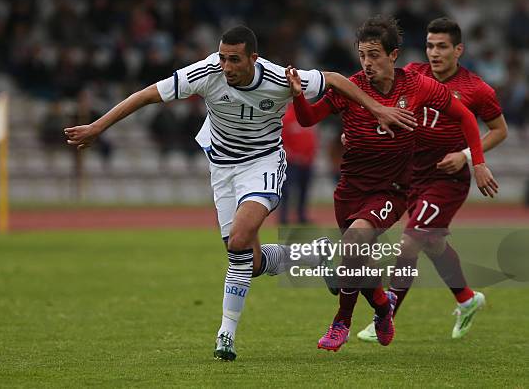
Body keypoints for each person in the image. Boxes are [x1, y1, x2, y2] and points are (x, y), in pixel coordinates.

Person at [64, 25, 416, 361]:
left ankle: (226, 334)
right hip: (222, 168)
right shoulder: (205, 72)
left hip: (262, 164)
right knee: (250, 260)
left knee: (239, 240)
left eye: (234, 59)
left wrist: (377, 108)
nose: (226, 66)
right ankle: (314, 255)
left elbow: (337, 80)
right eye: (222, 58)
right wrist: (97, 127)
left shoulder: (279, 77)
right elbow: (146, 95)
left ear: (253, 58)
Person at [288, 16, 498, 352]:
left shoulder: (416, 86)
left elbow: (464, 117)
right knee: (358, 259)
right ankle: (384, 307)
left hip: (393, 189)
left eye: (374, 55)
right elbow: (307, 118)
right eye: (362, 55)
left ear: (393, 55)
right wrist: (299, 96)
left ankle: (341, 322)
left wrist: (478, 162)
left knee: (362, 241)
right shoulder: (351, 87)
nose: (367, 63)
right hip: (350, 189)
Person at [356, 17, 508, 343]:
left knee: (411, 241)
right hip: (411, 174)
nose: (434, 53)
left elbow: (499, 130)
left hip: (447, 178)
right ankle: (467, 299)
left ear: (458, 50)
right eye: (429, 45)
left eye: (441, 46)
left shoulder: (477, 89)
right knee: (433, 242)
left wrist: (468, 157)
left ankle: (384, 317)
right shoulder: (413, 74)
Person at [279, 104, 318, 225]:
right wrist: (292, 156)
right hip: (291, 163)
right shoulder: (287, 118)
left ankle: (301, 216)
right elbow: (282, 141)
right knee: (287, 191)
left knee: (304, 190)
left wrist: (310, 156)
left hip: (307, 162)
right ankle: (283, 217)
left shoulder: (308, 118)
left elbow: (312, 140)